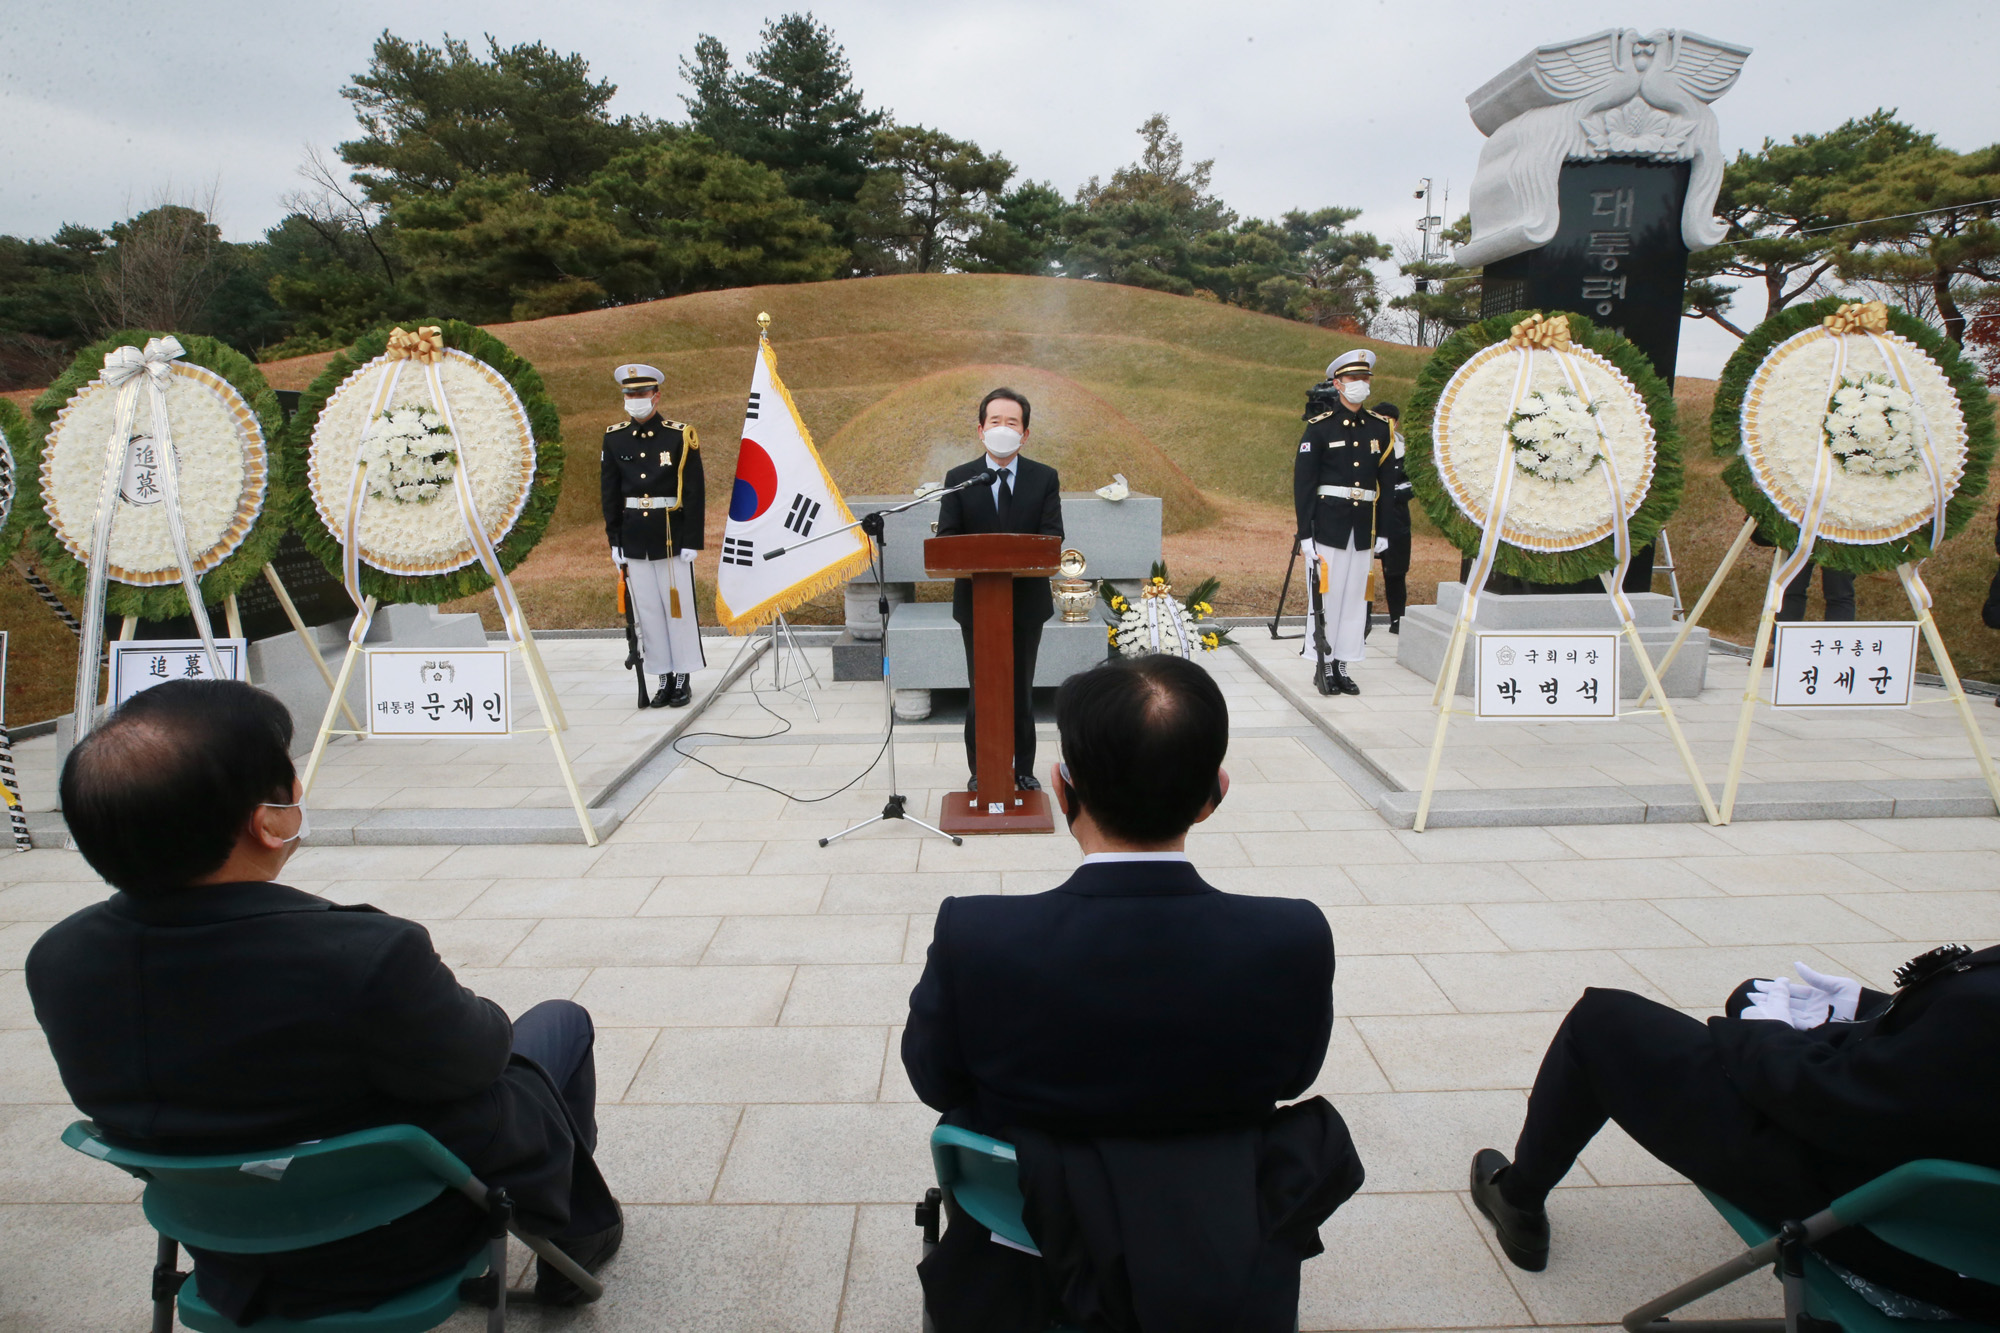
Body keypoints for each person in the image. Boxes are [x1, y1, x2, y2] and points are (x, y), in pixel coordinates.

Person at [27, 681, 622, 1322]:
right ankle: (576, 1230)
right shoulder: (366, 954)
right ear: (267, 822)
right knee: (554, 1028)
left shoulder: (57, 959)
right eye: (289, 775)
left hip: (221, 1241)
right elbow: (479, 1059)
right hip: (399, 1236)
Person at [904, 655, 1362, 1332]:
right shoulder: (1290, 937)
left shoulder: (978, 936)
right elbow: (1295, 1073)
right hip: (1220, 1234)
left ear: (1063, 791)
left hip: (1032, 1232)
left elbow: (933, 1075)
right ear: (1215, 793)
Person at [1468, 950, 2000, 1322]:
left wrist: (1766, 1036)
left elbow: (1833, 1106)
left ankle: (1519, 1200)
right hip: (1936, 1189)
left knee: (1603, 1020)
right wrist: (1877, 1010)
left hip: (1880, 1217)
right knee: (1750, 996)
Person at [934, 387, 1064, 790]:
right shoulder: (959, 479)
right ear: (980, 429)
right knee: (983, 689)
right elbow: (949, 540)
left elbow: (1052, 538)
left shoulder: (1044, 478)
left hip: (1026, 605)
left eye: (1012, 423)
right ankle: (982, 772)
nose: (1003, 429)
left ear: (1025, 434)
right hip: (977, 605)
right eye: (996, 422)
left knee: (1020, 689)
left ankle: (1022, 770)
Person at [602, 362, 705, 708]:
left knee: (677, 609)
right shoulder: (614, 437)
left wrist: (691, 540)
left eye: (642, 393)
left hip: (670, 535)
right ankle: (662, 676)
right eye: (629, 394)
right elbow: (610, 493)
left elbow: (693, 492)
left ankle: (683, 675)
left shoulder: (679, 435)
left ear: (656, 396)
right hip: (634, 537)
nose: (635, 399)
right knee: (648, 610)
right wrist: (614, 539)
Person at [1295, 349, 1392, 695]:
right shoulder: (1320, 429)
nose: (1361, 385)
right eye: (1353, 379)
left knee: (1355, 600)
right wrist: (1306, 536)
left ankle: (1342, 665)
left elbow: (1387, 485)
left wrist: (1385, 530)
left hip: (1362, 528)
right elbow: (1304, 485)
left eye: (1365, 379)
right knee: (1327, 598)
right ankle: (1322, 662)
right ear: (1337, 384)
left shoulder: (1380, 429)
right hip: (1329, 528)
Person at [1372, 402, 1414, 633]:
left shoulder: (1406, 450)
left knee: (1396, 572)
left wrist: (1389, 494)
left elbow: (1414, 484)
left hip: (1396, 517)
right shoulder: (1364, 445)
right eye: (1380, 418)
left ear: (1396, 423)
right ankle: (1362, 620)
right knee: (1362, 572)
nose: (1385, 423)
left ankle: (1398, 619)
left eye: (1389, 419)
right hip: (1367, 517)